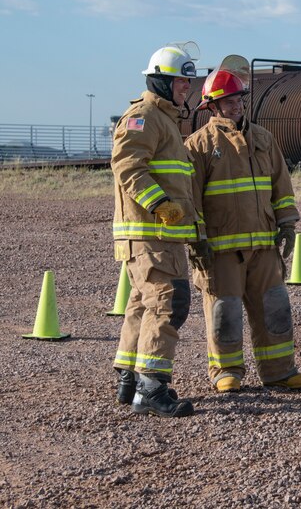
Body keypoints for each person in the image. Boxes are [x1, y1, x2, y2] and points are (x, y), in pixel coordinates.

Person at [185, 57, 301, 394]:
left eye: (240, 99)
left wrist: (287, 225)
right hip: (221, 251)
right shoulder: (198, 146)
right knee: (224, 314)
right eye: (229, 101)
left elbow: (281, 187)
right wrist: (196, 241)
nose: (237, 106)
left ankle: (279, 371)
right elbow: (190, 200)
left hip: (263, 249)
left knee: (274, 309)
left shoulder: (264, 140)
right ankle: (225, 371)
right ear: (213, 106)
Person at [111, 43, 207, 418]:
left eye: (189, 82)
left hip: (162, 234)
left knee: (143, 304)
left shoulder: (166, 119)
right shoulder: (145, 115)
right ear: (161, 82)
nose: (187, 89)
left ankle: (130, 380)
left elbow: (179, 184)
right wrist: (159, 204)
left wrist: (191, 227)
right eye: (181, 83)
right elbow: (128, 165)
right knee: (169, 301)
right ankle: (152, 387)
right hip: (150, 232)